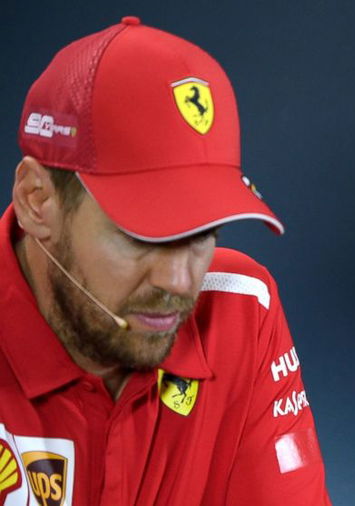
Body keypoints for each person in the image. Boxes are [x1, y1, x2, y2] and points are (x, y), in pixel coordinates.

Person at [0, 17, 331, 505]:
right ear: (37, 201)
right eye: (142, 235)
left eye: (203, 234)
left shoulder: (240, 305)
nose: (179, 282)